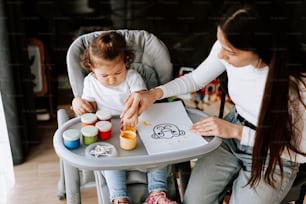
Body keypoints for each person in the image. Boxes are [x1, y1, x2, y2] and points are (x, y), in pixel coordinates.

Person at [121, 3, 306, 204]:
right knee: (194, 201)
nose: (221, 56)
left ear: (260, 49)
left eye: (230, 52)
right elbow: (195, 79)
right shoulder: (226, 46)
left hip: (276, 155)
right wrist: (155, 93)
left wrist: (237, 132)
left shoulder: (297, 85)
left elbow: (300, 151)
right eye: (221, 44)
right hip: (232, 132)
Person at [74, 32, 177, 204]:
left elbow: (141, 98)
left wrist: (137, 104)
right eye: (105, 75)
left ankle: (157, 194)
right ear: (91, 68)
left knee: (161, 155)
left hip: (139, 129)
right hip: (110, 135)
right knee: (110, 162)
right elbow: (89, 108)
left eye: (118, 71)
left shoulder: (132, 77)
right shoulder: (90, 83)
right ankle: (119, 198)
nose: (112, 79)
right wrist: (79, 102)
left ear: (125, 62)